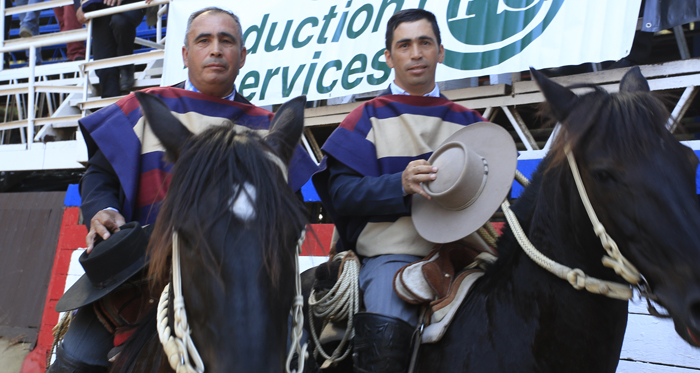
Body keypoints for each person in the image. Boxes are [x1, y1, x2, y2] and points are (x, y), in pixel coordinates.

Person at [47, 7, 317, 372]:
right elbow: (99, 178)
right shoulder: (139, 110)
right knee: (75, 358)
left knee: (299, 355)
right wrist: (101, 209)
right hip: (138, 275)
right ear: (185, 54)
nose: (216, 50)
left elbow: (287, 211)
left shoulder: (269, 129)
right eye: (203, 40)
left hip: (243, 284)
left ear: (243, 57)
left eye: (227, 41)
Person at [312, 9, 486, 373]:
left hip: (469, 255)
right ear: (389, 58)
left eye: (425, 43)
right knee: (386, 326)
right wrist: (400, 186)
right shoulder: (364, 118)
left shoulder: (473, 122)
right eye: (404, 45)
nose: (416, 53)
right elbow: (341, 195)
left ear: (441, 51)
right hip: (392, 257)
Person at [75, 0, 144, 97]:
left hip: (128, 3)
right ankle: (111, 107)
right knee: (103, 64)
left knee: (120, 22)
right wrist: (79, 5)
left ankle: (126, 66)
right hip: (99, 6)